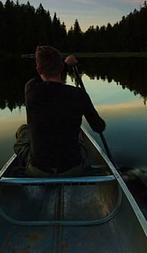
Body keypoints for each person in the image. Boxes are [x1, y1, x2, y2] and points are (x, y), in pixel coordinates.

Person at [14, 45, 106, 177]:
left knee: (23, 130)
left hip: (38, 171)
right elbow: (99, 126)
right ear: (61, 68)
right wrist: (66, 64)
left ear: (39, 70)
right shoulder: (79, 95)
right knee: (79, 133)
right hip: (73, 170)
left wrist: (63, 64)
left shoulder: (31, 90)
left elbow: (39, 78)